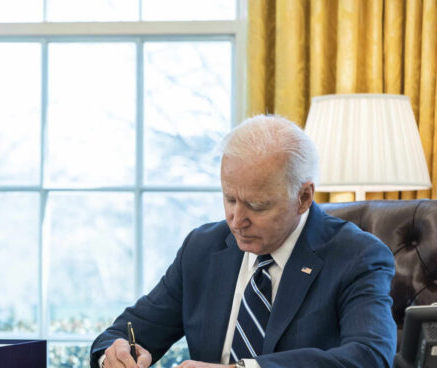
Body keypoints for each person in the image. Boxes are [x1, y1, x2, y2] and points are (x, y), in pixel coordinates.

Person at [91, 115, 396, 368]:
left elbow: (369, 356)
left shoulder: (357, 256)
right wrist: (113, 355)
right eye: (230, 199)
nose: (236, 220)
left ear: (303, 197)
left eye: (257, 205)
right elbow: (125, 332)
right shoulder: (202, 248)